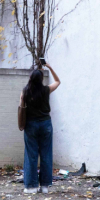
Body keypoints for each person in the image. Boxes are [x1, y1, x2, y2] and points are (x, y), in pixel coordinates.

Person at [20, 61, 60, 193]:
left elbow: (22, 108)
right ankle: (44, 186)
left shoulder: (25, 92)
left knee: (31, 154)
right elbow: (58, 81)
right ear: (41, 79)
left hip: (31, 125)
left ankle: (31, 186)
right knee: (46, 154)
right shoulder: (46, 90)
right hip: (45, 124)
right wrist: (50, 67)